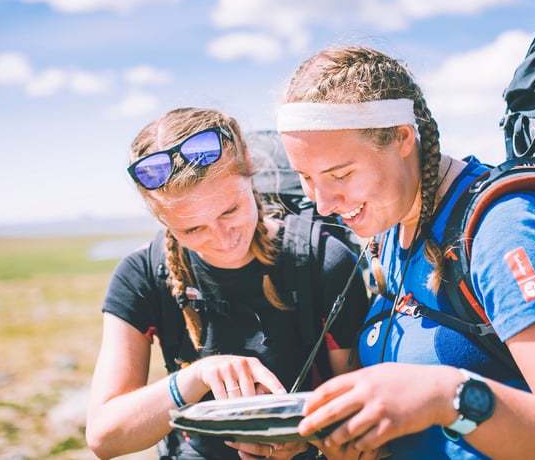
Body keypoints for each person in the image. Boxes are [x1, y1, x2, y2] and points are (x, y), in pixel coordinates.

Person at [276, 46, 535, 459]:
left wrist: (449, 397)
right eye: (305, 178)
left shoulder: (508, 229)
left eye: (340, 174)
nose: (322, 203)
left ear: (402, 138)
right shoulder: (392, 226)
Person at [86, 107, 370, 460]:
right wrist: (196, 377)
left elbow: (363, 424)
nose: (223, 240)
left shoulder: (323, 261)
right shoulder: (142, 274)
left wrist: (308, 441)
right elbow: (104, 437)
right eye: (192, 229)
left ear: (249, 168)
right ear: (162, 220)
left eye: (230, 211)